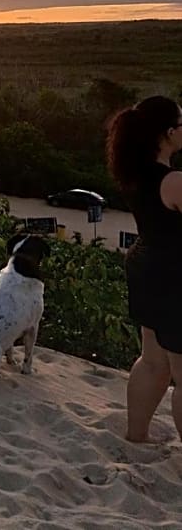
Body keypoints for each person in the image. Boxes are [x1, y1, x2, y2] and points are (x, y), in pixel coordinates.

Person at [106, 95, 182, 443]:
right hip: (174, 276)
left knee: (152, 360)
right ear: (168, 133)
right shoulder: (173, 182)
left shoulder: (135, 174)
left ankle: (136, 435)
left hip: (146, 266)